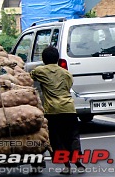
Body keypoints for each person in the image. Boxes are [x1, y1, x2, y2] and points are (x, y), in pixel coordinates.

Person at [30, 46, 86, 174]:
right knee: (72, 136)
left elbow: (30, 77)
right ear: (57, 59)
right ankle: (78, 163)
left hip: (53, 110)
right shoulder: (66, 73)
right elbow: (69, 85)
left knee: (57, 138)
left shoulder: (40, 71)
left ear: (43, 59)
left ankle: (67, 167)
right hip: (69, 108)